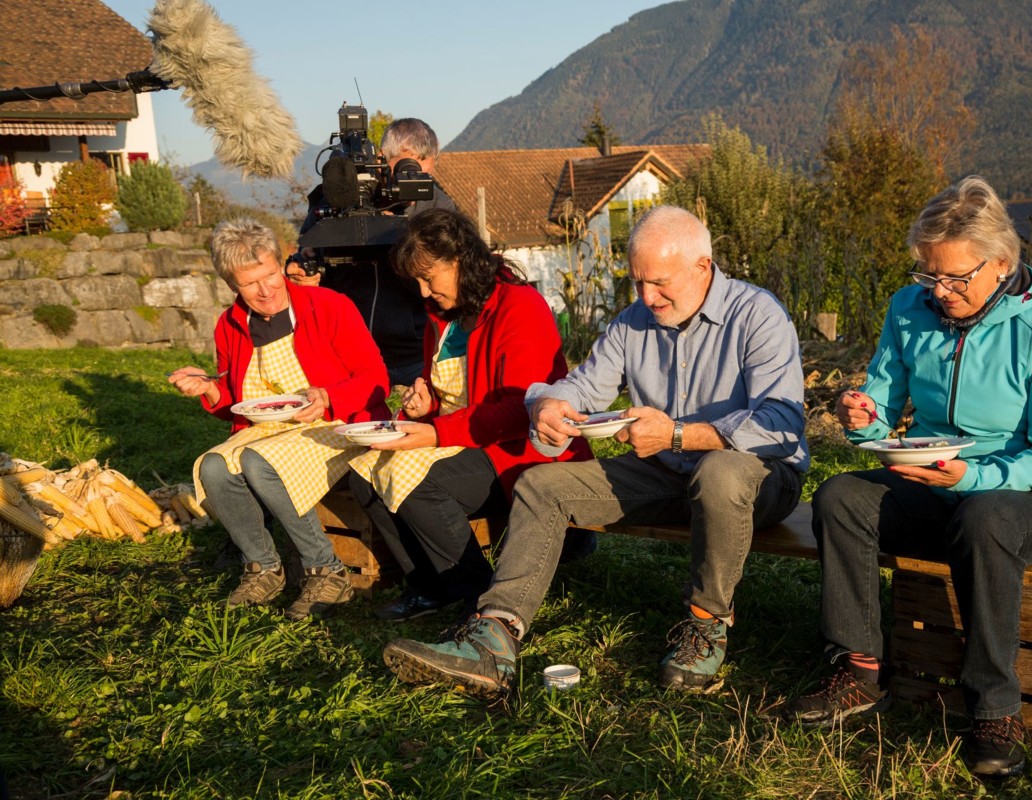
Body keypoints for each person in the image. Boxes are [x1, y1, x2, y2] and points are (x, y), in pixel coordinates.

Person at [380, 205, 809, 696]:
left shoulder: (758, 315)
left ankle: (706, 623)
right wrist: (548, 404)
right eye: (638, 282)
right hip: (667, 473)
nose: (647, 297)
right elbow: (581, 387)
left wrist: (677, 435)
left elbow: (782, 425)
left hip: (760, 480)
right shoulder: (633, 322)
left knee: (720, 473)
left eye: (660, 282)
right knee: (541, 484)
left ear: (702, 267)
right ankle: (494, 636)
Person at [786, 176, 1032, 779]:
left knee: (985, 517)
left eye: (956, 278)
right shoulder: (908, 307)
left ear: (1001, 264)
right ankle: (859, 672)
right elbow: (880, 410)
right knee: (841, 497)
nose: (939, 291)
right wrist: (862, 416)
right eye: (929, 275)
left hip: (1028, 498)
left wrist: (970, 478)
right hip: (936, 481)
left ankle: (993, 710)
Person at [345, 208, 592, 621]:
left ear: (459, 260)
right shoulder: (441, 317)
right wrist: (428, 404)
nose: (424, 293)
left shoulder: (520, 306)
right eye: (417, 282)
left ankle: (477, 592)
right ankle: (428, 585)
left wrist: (435, 432)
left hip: (517, 450)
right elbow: (454, 394)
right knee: (363, 474)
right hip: (465, 439)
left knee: (424, 484)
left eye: (429, 278)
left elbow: (520, 410)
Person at [170, 218, 390, 620]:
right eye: (250, 283)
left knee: (260, 462)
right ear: (231, 285)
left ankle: (327, 571)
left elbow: (376, 377)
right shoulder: (229, 325)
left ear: (279, 263)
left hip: (333, 424)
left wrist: (328, 396)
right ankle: (263, 567)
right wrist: (208, 389)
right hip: (267, 432)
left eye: (271, 275)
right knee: (214, 467)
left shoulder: (329, 306)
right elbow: (236, 403)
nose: (266, 289)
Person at [287, 118, 457, 388]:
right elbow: (310, 254)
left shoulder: (438, 207)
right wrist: (304, 272)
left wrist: (398, 235)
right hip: (349, 350)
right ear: (381, 158)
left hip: (415, 352)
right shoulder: (337, 197)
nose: (413, 182)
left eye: (423, 175)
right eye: (405, 169)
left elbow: (447, 280)